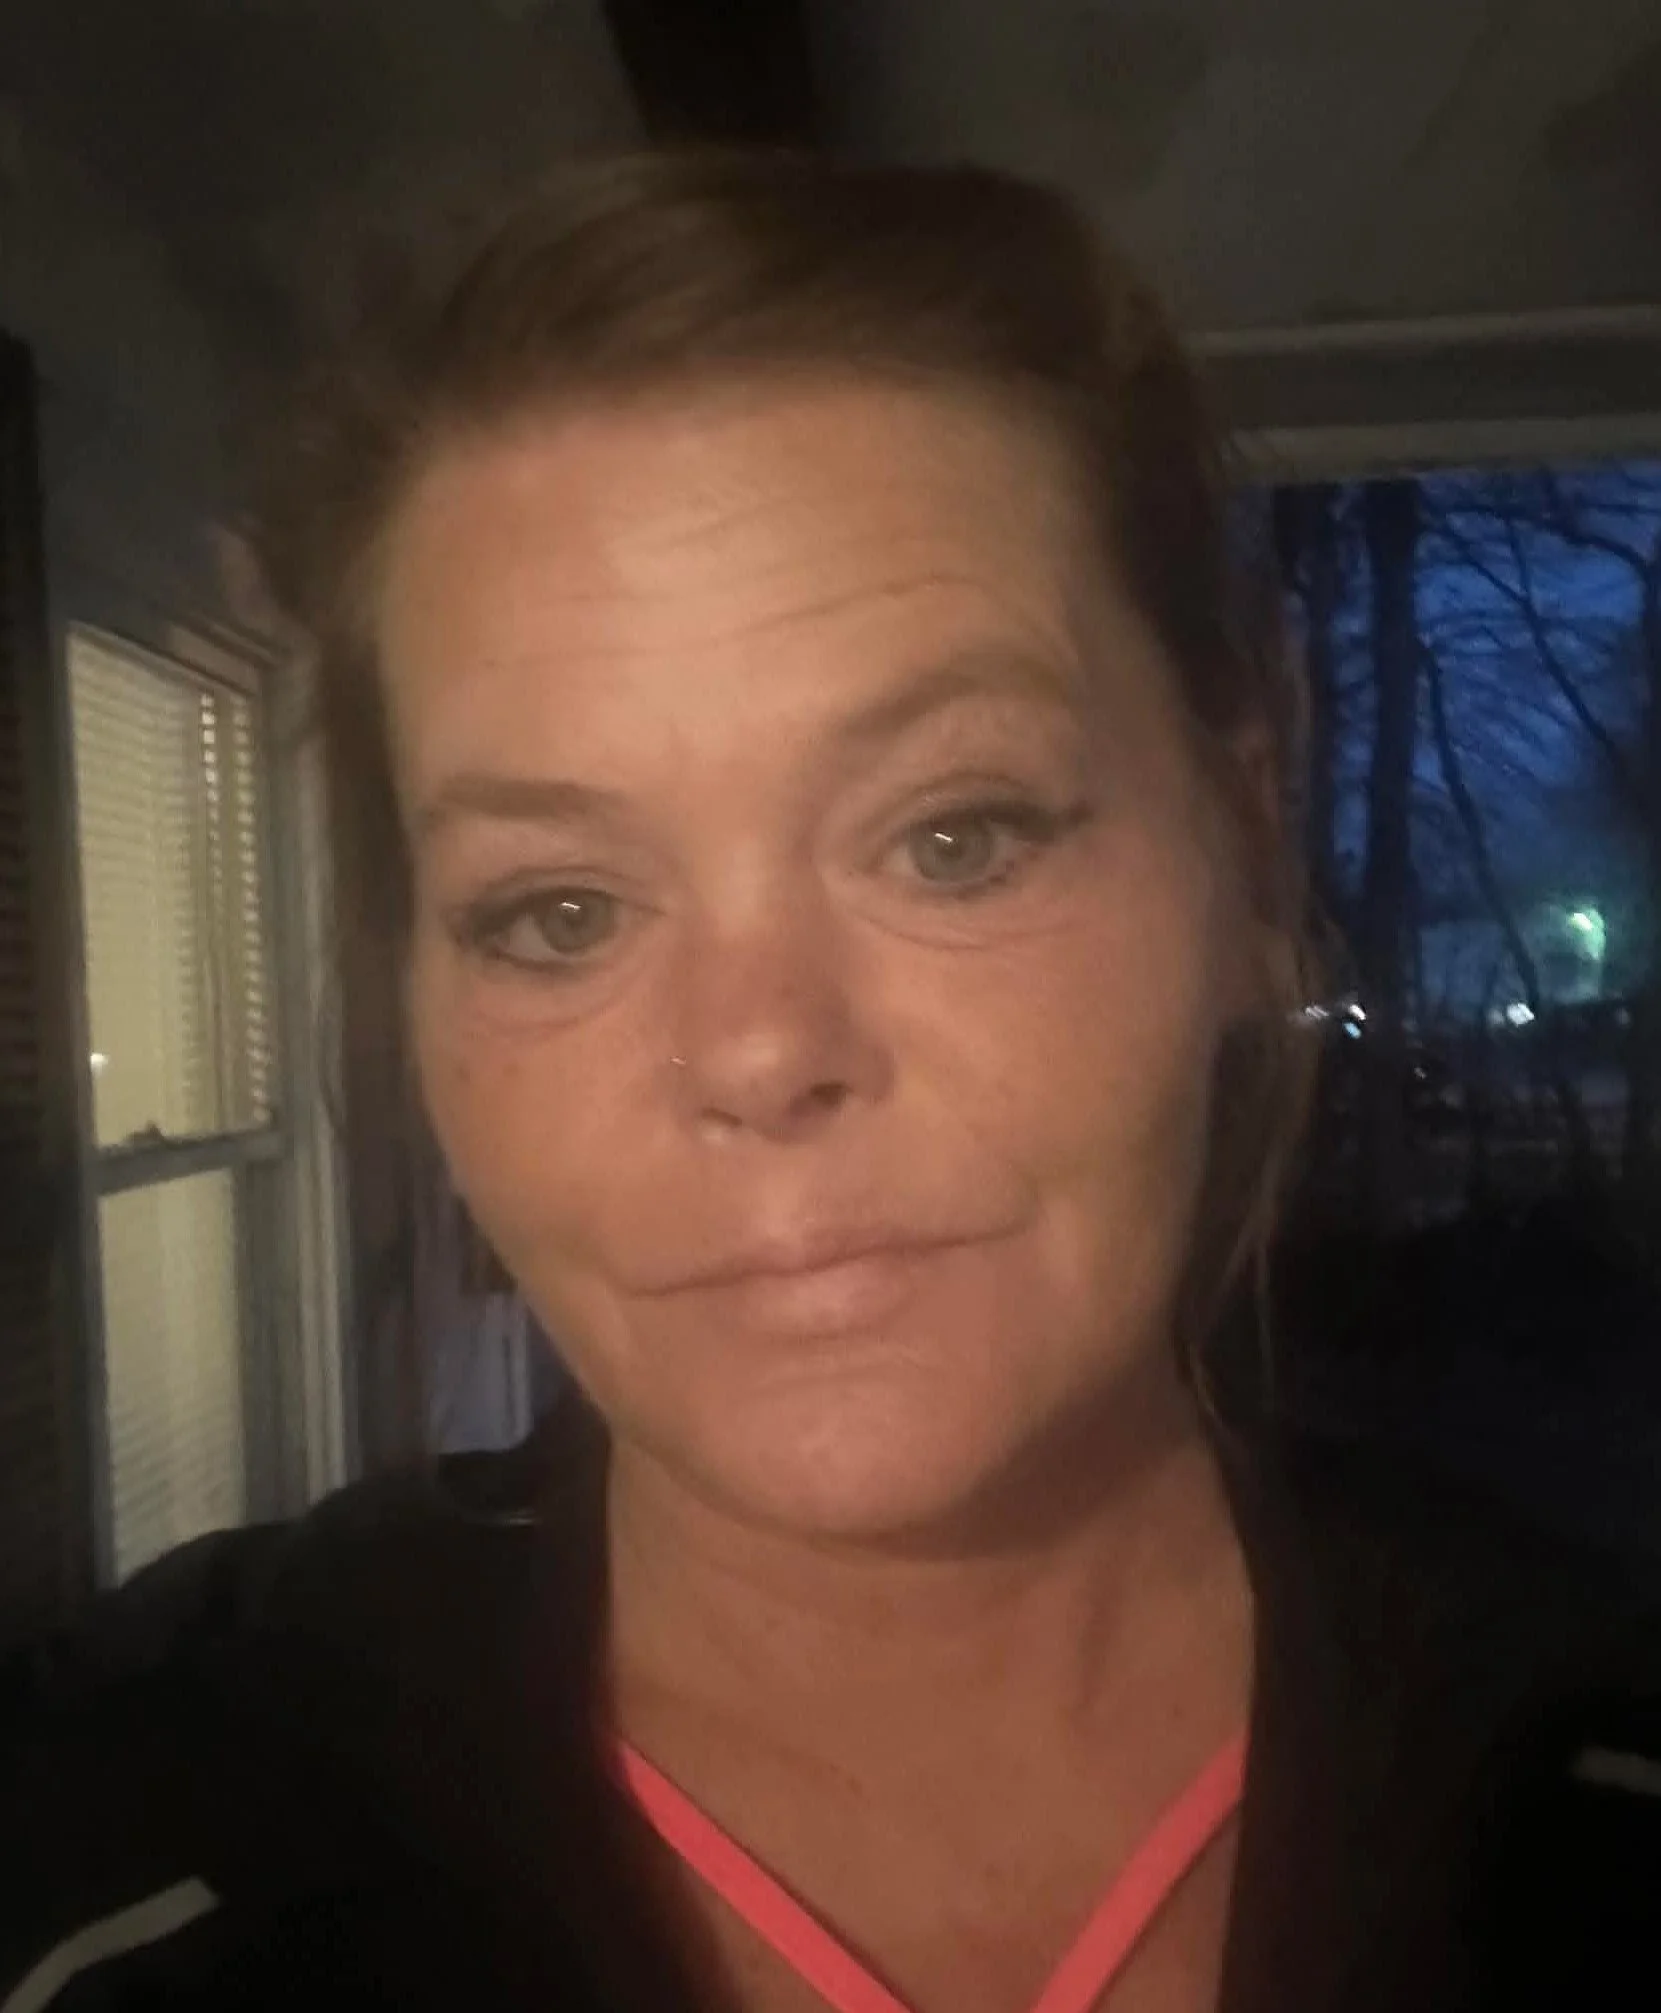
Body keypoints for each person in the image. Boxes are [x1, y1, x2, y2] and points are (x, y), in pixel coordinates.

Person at [4, 151, 1660, 2013]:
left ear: (1248, 844)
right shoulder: (116, 1861)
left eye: (956, 836)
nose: (759, 1050)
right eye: (559, 911)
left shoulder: (1587, 1811)